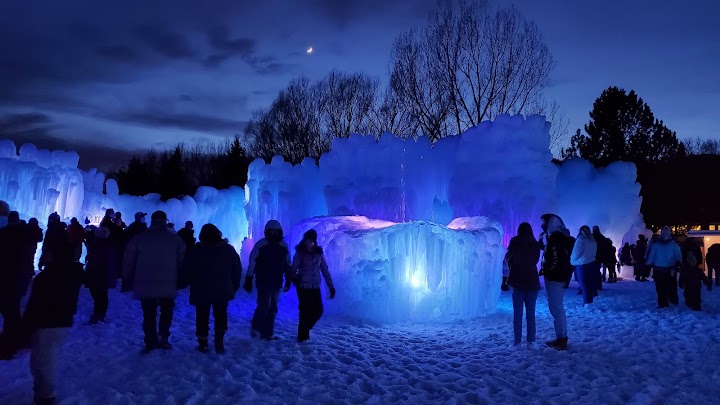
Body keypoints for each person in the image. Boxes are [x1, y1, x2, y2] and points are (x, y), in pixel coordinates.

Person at [17, 241, 84, 405]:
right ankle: (43, 393)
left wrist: (24, 328)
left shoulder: (46, 277)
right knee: (43, 361)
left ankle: (45, 397)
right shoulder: (73, 273)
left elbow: (35, 305)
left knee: (43, 363)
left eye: (49, 252)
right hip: (63, 322)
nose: (45, 255)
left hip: (46, 324)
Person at [122, 211, 186, 352]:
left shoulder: (140, 238)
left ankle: (150, 340)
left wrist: (128, 276)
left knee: (149, 313)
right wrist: (179, 277)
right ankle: (163, 337)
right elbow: (181, 261)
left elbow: (128, 259)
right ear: (164, 221)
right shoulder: (175, 239)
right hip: (168, 281)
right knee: (166, 311)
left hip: (145, 281)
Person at [185, 224, 242, 353]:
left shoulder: (197, 251)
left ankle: (203, 342)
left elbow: (188, 269)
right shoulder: (228, 250)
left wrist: (190, 282)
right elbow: (236, 269)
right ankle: (219, 341)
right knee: (221, 315)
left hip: (201, 289)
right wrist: (233, 286)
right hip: (222, 290)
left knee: (202, 316)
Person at [244, 220, 293, 340]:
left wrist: (288, 279)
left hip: (277, 281)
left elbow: (287, 263)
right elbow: (252, 262)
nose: (274, 233)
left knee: (273, 307)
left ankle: (267, 332)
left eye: (277, 231)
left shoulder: (283, 246)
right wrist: (249, 277)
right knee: (264, 305)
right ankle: (256, 327)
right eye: (272, 231)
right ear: (267, 231)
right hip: (263, 280)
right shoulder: (261, 245)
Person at [0, 212, 35, 359]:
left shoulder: (7, 236)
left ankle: (10, 346)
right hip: (17, 279)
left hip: (9, 280)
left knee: (10, 313)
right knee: (12, 312)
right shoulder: (25, 236)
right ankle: (17, 340)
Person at [291, 229, 336, 343]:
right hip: (303, 287)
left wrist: (331, 287)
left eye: (310, 240)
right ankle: (302, 336)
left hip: (315, 287)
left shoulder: (319, 254)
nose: (307, 242)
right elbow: (293, 268)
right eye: (306, 240)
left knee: (318, 311)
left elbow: (325, 271)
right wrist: (294, 279)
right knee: (305, 311)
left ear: (314, 241)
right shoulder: (300, 253)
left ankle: (305, 330)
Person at [539, 214, 573, 351]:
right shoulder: (559, 238)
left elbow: (554, 259)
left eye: (544, 223)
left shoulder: (555, 239)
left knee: (556, 308)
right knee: (557, 308)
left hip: (554, 278)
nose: (542, 225)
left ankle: (561, 339)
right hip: (558, 277)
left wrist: (547, 271)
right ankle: (561, 337)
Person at [504, 223, 540, 347]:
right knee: (531, 313)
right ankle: (531, 340)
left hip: (518, 281)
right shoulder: (534, 244)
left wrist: (512, 267)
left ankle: (517, 340)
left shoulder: (515, 242)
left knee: (517, 313)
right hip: (532, 282)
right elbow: (535, 260)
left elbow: (508, 258)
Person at [84, 226, 119, 324]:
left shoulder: (98, 245)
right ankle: (100, 314)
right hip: (105, 274)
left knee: (98, 295)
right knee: (102, 295)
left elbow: (94, 259)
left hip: (97, 274)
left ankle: (98, 315)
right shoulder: (110, 245)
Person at [646, 227, 682, 308]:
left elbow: (651, 257)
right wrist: (678, 263)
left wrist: (648, 264)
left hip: (658, 269)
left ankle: (662, 302)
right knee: (671, 285)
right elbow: (678, 256)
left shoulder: (656, 245)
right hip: (671, 269)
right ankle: (672, 299)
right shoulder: (674, 245)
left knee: (660, 287)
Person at [121, 212, 148, 292]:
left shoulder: (142, 227)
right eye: (142, 217)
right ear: (139, 218)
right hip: (134, 252)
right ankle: (128, 286)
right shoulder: (136, 227)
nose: (144, 218)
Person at [571, 226, 598, 305]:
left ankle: (587, 302)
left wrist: (572, 261)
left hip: (582, 264)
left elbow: (576, 253)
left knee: (583, 283)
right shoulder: (592, 240)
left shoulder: (581, 239)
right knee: (589, 283)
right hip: (592, 263)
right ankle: (589, 301)